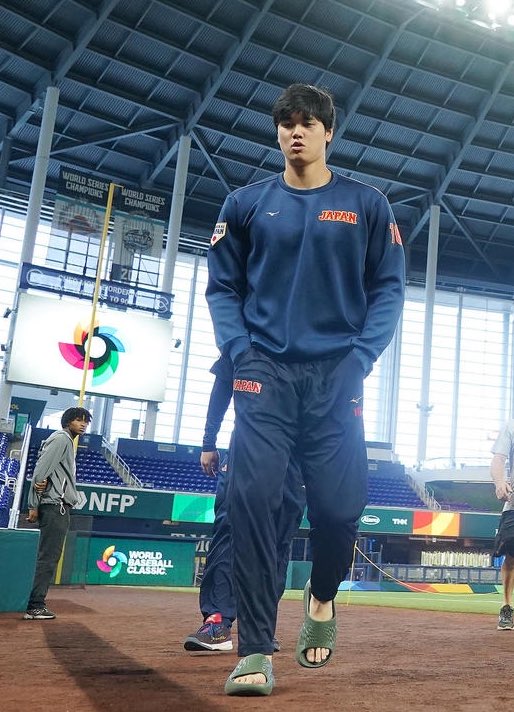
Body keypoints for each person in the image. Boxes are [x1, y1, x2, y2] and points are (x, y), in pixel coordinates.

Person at [206, 83, 405, 695]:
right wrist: (239, 352)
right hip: (263, 373)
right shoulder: (245, 204)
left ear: (328, 133)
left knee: (340, 510)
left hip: (337, 375)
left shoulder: (367, 204)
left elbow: (389, 289)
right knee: (253, 502)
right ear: (277, 133)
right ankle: (254, 649)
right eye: (286, 123)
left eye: (308, 123)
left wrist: (361, 358)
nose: (296, 131)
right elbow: (222, 288)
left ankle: (321, 597)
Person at [183, 354, 305, 652]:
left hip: (295, 457)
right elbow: (222, 386)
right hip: (247, 448)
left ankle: (262, 626)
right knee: (229, 532)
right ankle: (217, 620)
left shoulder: (319, 343)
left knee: (278, 541)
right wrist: (208, 442)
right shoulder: (246, 338)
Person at [24, 406, 92, 620]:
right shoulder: (61, 438)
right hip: (55, 505)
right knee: (48, 557)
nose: (83, 424)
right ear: (68, 421)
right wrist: (33, 504)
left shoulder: (66, 441)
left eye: (85, 421)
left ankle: (34, 603)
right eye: (78, 420)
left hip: (57, 505)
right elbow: (41, 470)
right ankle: (35, 605)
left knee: (48, 557)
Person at [490, 419, 514, 630]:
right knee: (511, 556)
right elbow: (498, 459)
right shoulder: (511, 426)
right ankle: (506, 607)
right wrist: (499, 482)